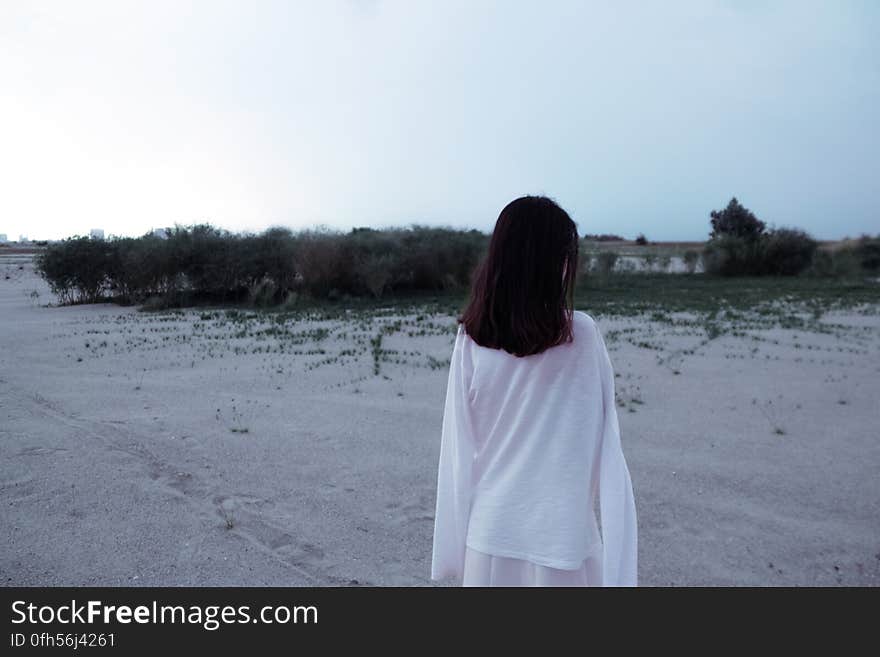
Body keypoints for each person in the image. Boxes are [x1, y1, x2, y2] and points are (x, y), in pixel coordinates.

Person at [430, 195, 638, 587]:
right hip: (562, 539)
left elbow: (456, 448)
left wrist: (449, 554)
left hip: (490, 537)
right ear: (554, 263)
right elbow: (609, 450)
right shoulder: (583, 336)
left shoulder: (472, 339)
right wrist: (620, 568)